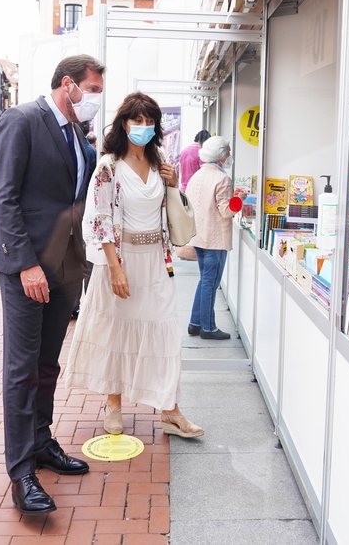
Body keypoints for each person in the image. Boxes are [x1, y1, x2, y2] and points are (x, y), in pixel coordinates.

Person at [0, 54, 102, 515]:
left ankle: (40, 442)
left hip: (65, 266)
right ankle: (20, 471)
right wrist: (25, 265)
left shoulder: (75, 132)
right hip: (28, 268)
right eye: (92, 89)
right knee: (21, 369)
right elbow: (4, 196)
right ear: (68, 84)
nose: (95, 98)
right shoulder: (23, 120)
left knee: (47, 363)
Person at [64, 91, 204, 441]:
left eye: (149, 121)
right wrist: (113, 267)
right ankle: (113, 403)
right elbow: (101, 218)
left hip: (156, 261)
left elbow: (171, 213)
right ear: (123, 123)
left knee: (164, 331)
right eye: (136, 120)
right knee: (117, 330)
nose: (143, 127)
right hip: (121, 259)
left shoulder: (161, 163)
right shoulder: (109, 166)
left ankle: (170, 411)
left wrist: (173, 184)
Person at [185, 136, 240, 340]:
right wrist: (239, 200)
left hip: (198, 236)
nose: (229, 156)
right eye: (228, 153)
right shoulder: (222, 179)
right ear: (222, 156)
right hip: (215, 239)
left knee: (204, 281)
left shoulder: (197, 176)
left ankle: (195, 322)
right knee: (210, 282)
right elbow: (226, 211)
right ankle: (208, 328)